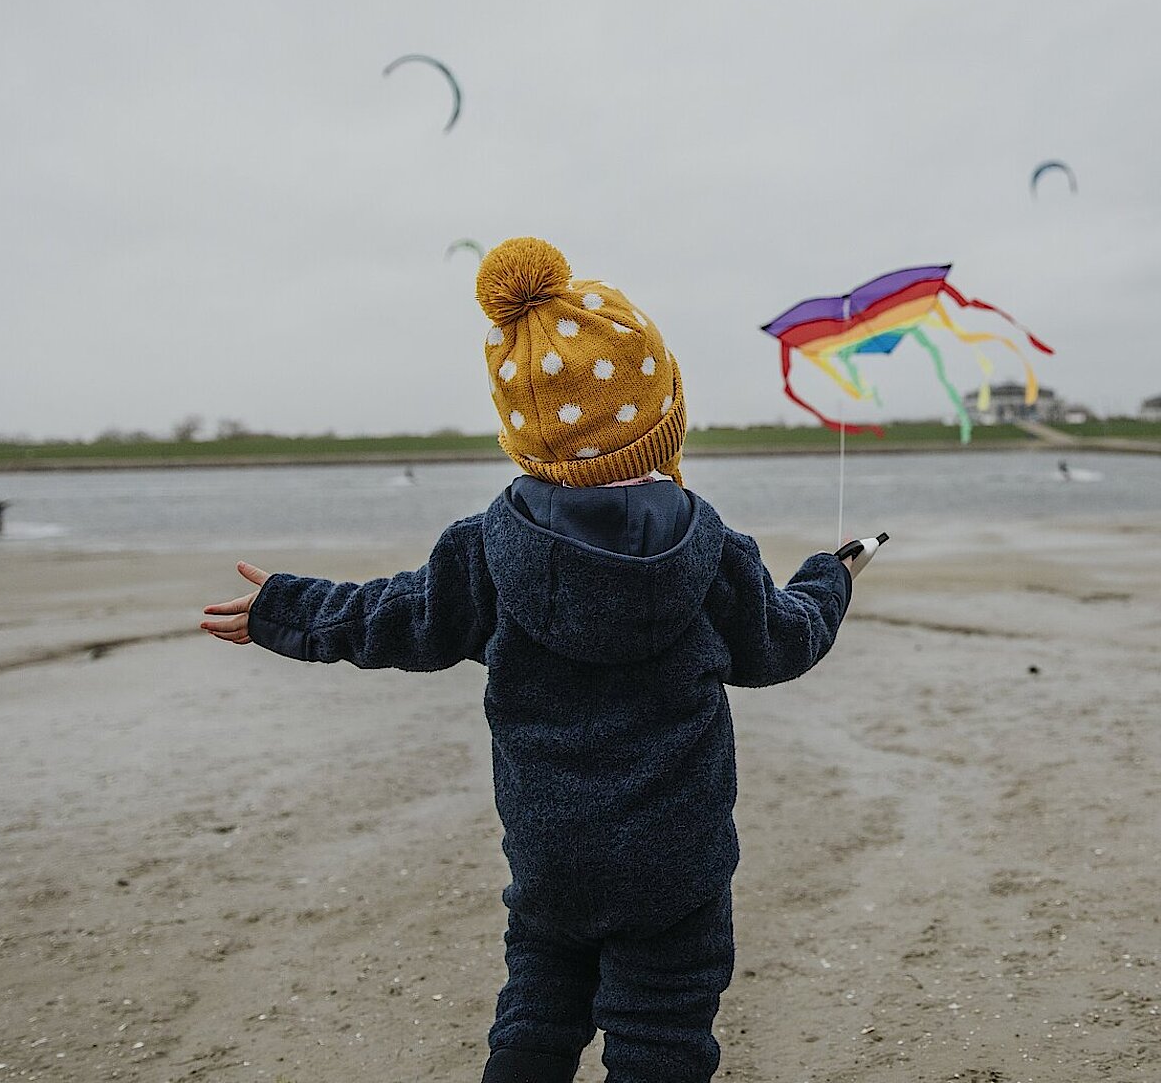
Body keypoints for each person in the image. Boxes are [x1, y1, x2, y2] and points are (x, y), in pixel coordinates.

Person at [199, 238, 861, 1083]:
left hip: (551, 852)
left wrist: (289, 609)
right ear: (664, 414)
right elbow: (783, 642)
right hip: (674, 862)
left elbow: (396, 618)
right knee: (662, 1032)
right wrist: (830, 579)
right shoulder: (714, 551)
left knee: (539, 1012)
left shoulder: (484, 550)